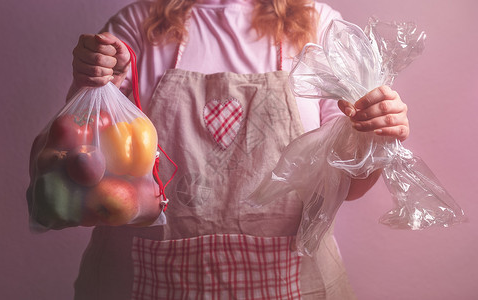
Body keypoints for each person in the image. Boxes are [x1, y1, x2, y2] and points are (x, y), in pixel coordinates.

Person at [71, 0, 409, 299]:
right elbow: (84, 160)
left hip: (293, 284)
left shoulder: (319, 27)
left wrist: (375, 134)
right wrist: (95, 81)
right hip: (145, 284)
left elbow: (346, 186)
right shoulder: (138, 25)